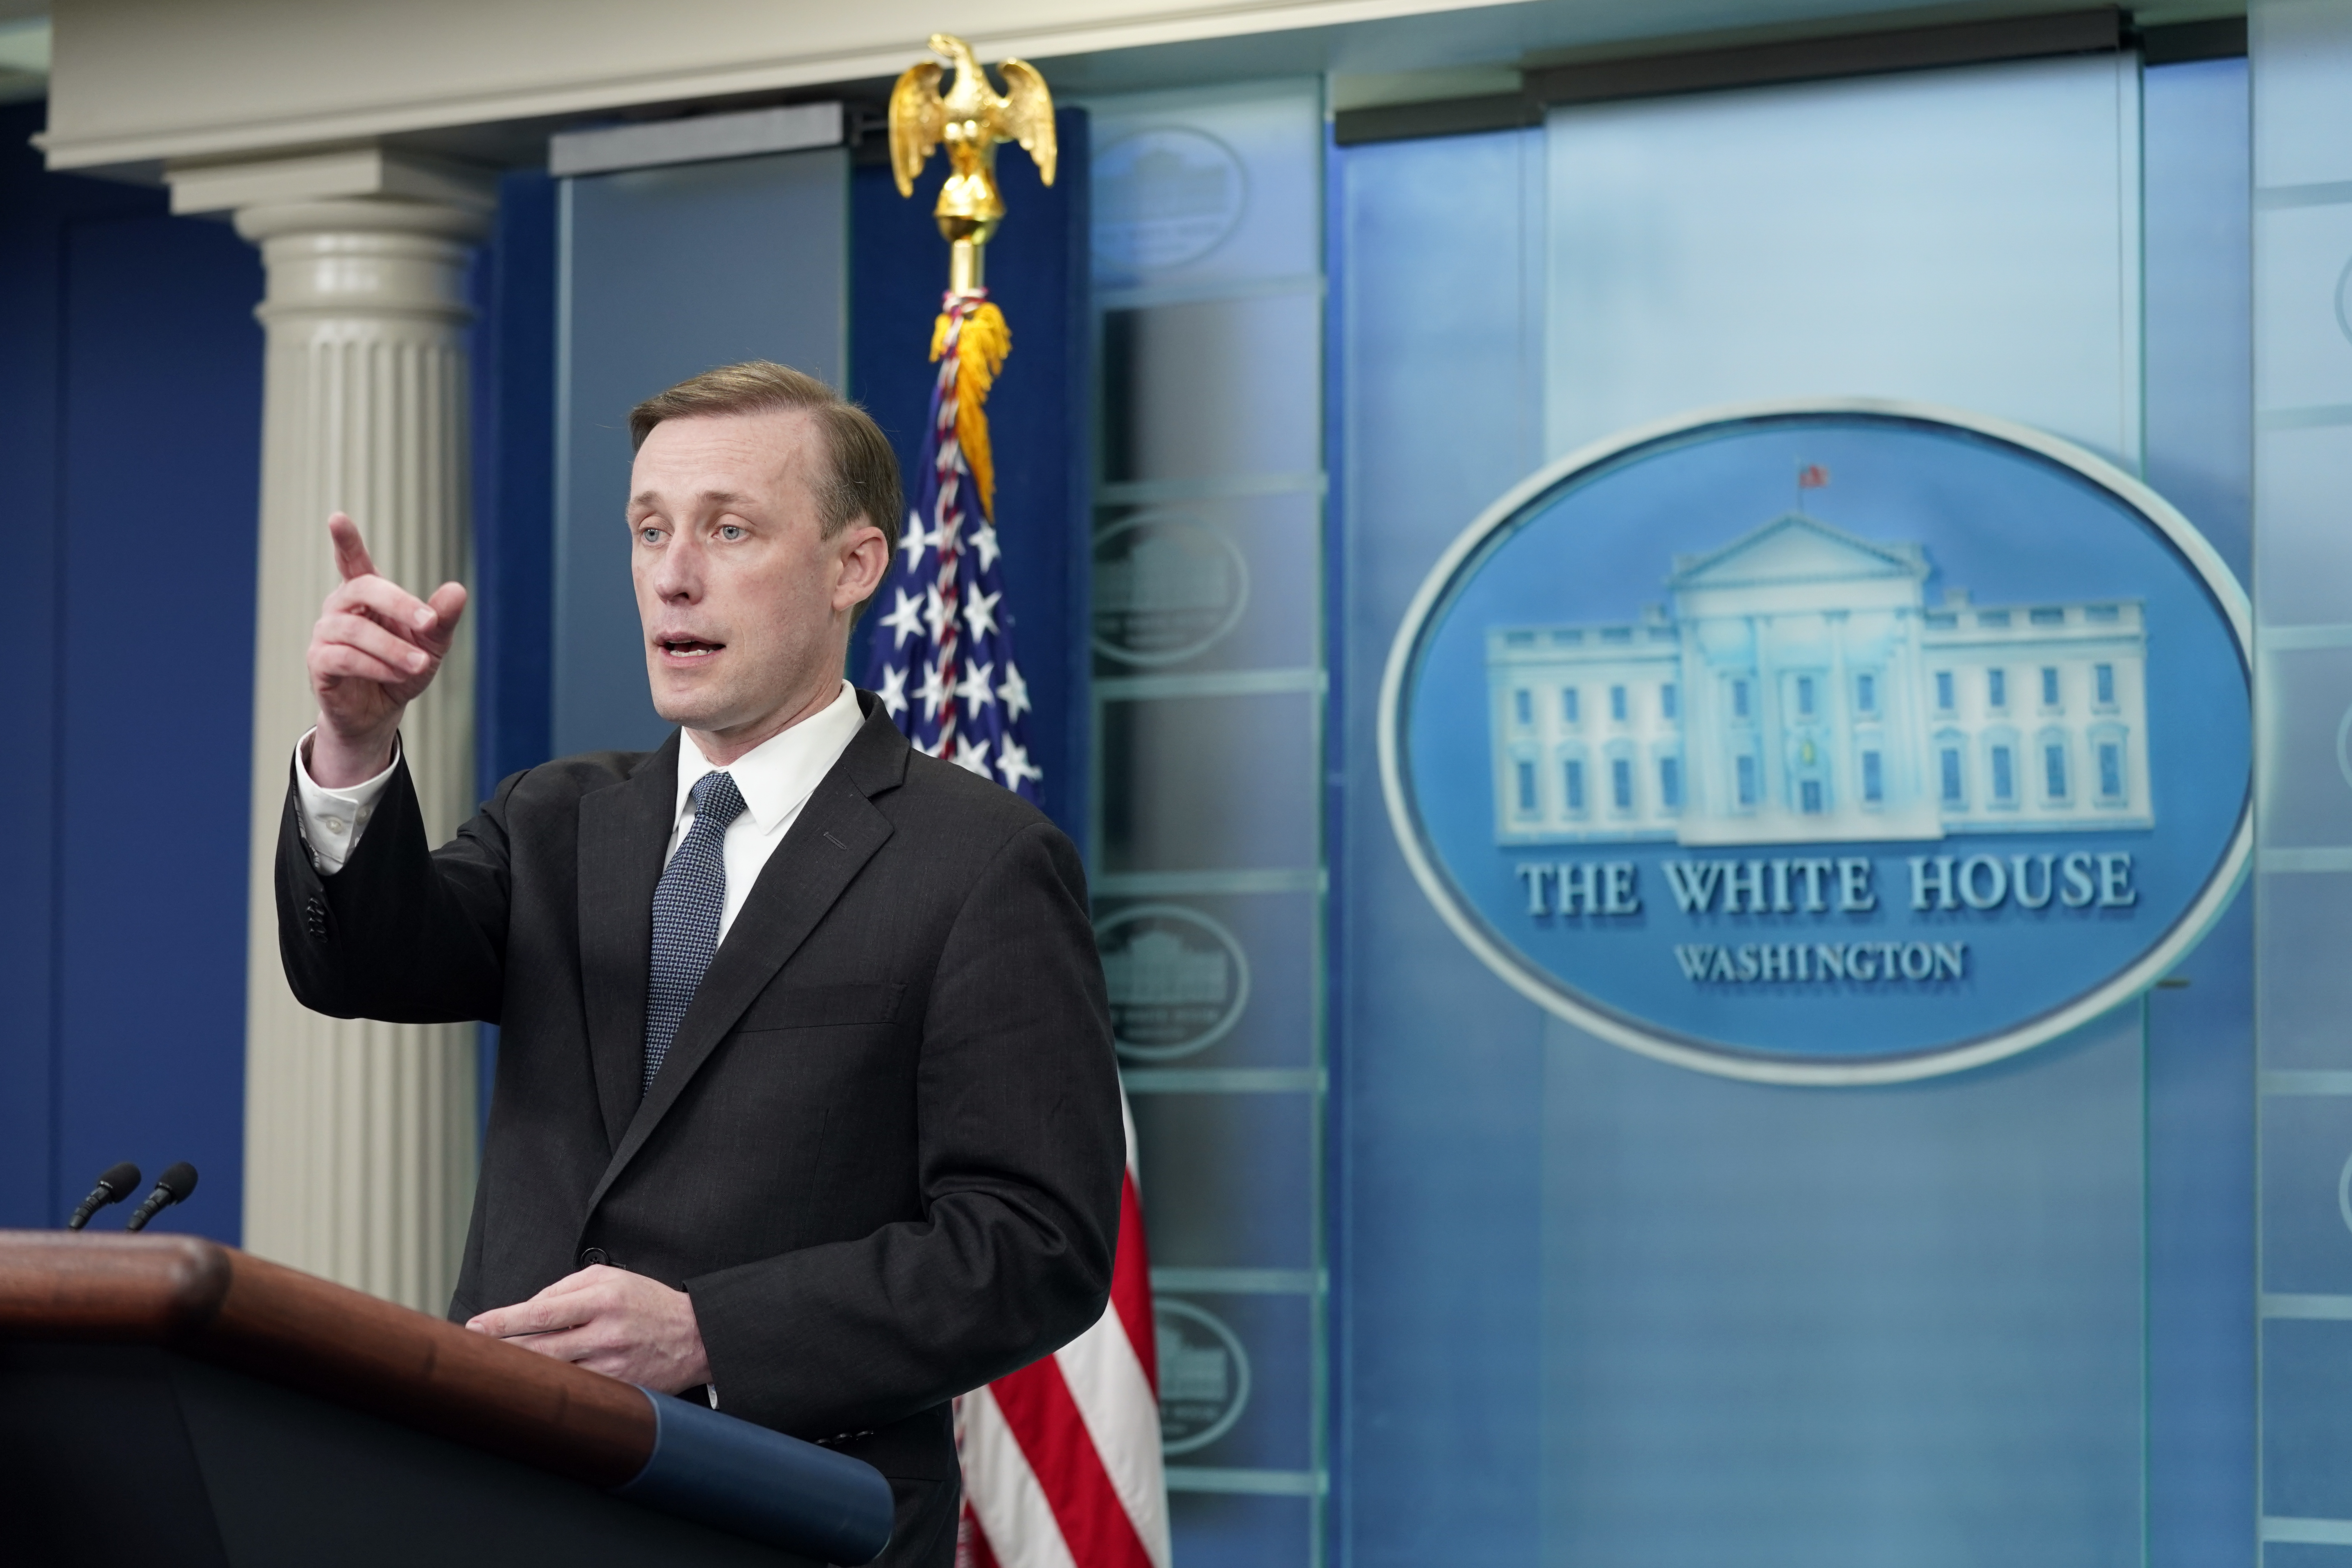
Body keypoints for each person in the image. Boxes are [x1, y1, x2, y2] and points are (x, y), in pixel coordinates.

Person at [276, 360, 1123, 1567]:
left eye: (730, 530)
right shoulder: (554, 819)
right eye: (649, 530)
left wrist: (711, 1334)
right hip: (500, 1503)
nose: (673, 573)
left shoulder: (982, 862)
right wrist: (356, 743)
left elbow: (1033, 1246)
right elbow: (362, 966)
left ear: (853, 567)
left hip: (785, 1520)